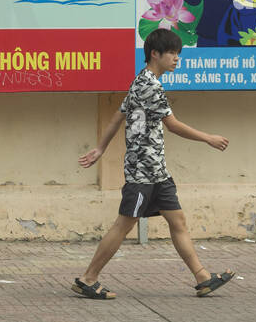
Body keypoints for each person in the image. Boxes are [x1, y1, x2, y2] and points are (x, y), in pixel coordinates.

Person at [72, 27, 237, 299]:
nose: (176, 59)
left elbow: (118, 115)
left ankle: (203, 277)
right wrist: (208, 138)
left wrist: (101, 148)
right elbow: (172, 125)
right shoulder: (149, 86)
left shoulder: (142, 81)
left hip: (157, 170)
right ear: (155, 54)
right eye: (171, 53)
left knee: (178, 221)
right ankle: (88, 279)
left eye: (178, 53)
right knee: (125, 224)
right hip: (142, 172)